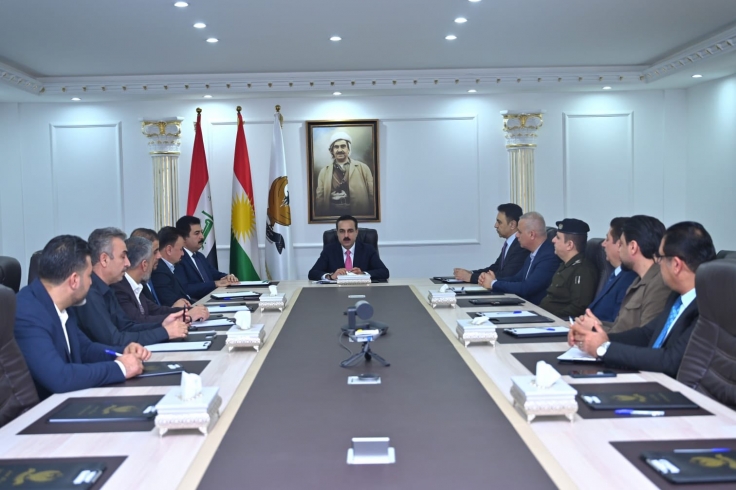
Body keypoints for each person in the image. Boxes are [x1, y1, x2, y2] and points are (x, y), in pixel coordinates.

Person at [569, 221, 716, 378]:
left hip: (671, 388)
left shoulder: (706, 309)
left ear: (676, 265)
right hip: (650, 378)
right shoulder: (677, 297)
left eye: (660, 257)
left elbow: (671, 360)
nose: (657, 263)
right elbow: (646, 334)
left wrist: (604, 349)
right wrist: (596, 339)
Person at [14, 235, 150, 399]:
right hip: (41, 410)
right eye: (89, 275)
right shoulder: (27, 313)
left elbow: (85, 349)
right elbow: (60, 377)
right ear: (74, 280)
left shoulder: (62, 304)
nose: (91, 283)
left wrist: (121, 352)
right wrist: (120, 368)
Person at [72, 227, 189, 346]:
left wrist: (163, 324)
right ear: (104, 259)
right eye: (123, 257)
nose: (128, 263)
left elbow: (127, 326)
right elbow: (114, 340)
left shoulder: (107, 288)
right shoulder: (90, 293)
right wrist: (164, 332)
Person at [574, 215, 671, 333]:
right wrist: (595, 324)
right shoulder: (638, 281)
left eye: (622, 244)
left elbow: (645, 336)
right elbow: (621, 326)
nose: (619, 250)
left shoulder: (659, 284)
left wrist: (595, 328)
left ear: (633, 247)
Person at [111, 237, 209, 324]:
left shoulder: (135, 285)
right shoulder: (119, 288)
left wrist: (191, 310)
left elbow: (156, 310)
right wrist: (186, 316)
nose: (159, 256)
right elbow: (139, 321)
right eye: (155, 253)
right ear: (144, 265)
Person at [479, 212, 560, 304]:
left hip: (538, 309)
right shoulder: (534, 253)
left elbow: (527, 288)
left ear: (532, 235)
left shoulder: (549, 257)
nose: (516, 235)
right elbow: (517, 279)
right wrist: (494, 280)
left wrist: (493, 284)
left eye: (520, 232)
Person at [453, 203, 530, 283]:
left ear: (512, 224)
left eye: (499, 222)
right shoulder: (510, 243)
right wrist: (471, 273)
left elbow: (505, 275)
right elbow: (496, 268)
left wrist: (471, 277)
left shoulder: (521, 246)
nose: (495, 225)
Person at [538, 218, 599, 318]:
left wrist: (549, 317)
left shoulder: (582, 270)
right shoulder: (565, 265)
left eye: (558, 238)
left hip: (556, 322)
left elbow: (578, 308)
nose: (553, 240)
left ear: (569, 245)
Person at [174, 215, 238, 300]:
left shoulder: (199, 256)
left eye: (201, 232)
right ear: (183, 238)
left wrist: (228, 277)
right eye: (197, 233)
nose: (202, 236)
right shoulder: (179, 258)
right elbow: (186, 289)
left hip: (212, 299)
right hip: (197, 303)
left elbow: (215, 274)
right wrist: (215, 284)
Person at [308, 215, 389, 281]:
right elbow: (313, 273)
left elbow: (384, 272)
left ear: (356, 232)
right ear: (337, 233)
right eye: (342, 231)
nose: (346, 235)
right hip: (336, 292)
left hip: (362, 290)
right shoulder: (329, 250)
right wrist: (330, 276)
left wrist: (363, 274)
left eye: (350, 231)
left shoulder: (368, 249)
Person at [587, 217, 638, 322]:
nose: (603, 244)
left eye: (607, 239)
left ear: (619, 245)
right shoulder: (615, 274)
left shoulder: (630, 280)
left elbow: (617, 322)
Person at [315, 132, 375, 217]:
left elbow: (372, 196)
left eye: (343, 146)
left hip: (358, 216)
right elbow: (319, 200)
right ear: (332, 150)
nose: (339, 150)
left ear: (348, 149)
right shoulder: (323, 172)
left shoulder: (363, 168)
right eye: (336, 147)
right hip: (332, 216)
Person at [151, 226, 196, 306]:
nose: (183, 254)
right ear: (169, 250)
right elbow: (171, 302)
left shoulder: (170, 267)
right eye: (181, 249)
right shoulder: (159, 272)